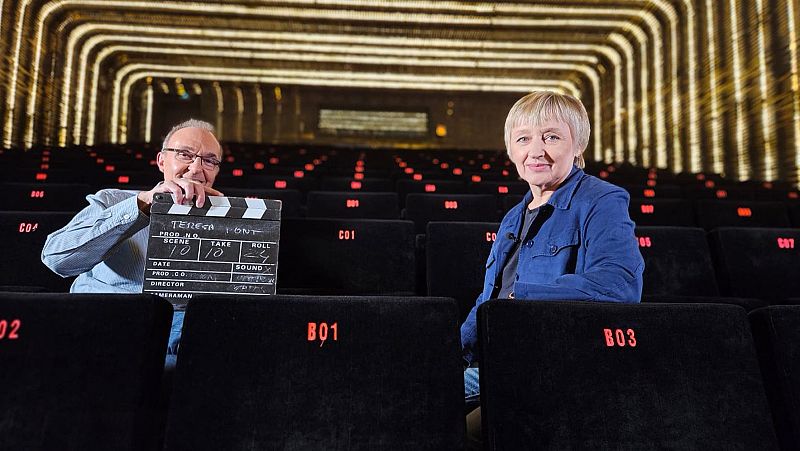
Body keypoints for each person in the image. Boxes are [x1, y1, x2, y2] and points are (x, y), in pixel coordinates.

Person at [461, 91, 644, 448]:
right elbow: (489, 297)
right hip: (497, 361)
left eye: (552, 137)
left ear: (578, 145)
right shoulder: (515, 215)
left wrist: (522, 299)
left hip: (554, 367)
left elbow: (619, 286)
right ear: (511, 151)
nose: (536, 150)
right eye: (524, 138)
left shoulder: (601, 199)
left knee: (443, 423)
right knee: (407, 392)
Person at [41, 119, 224, 368]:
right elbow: (58, 260)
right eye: (184, 155)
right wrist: (141, 206)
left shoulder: (234, 218)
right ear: (161, 161)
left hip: (192, 344)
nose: (195, 168)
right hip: (109, 332)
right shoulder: (112, 199)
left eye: (209, 161)